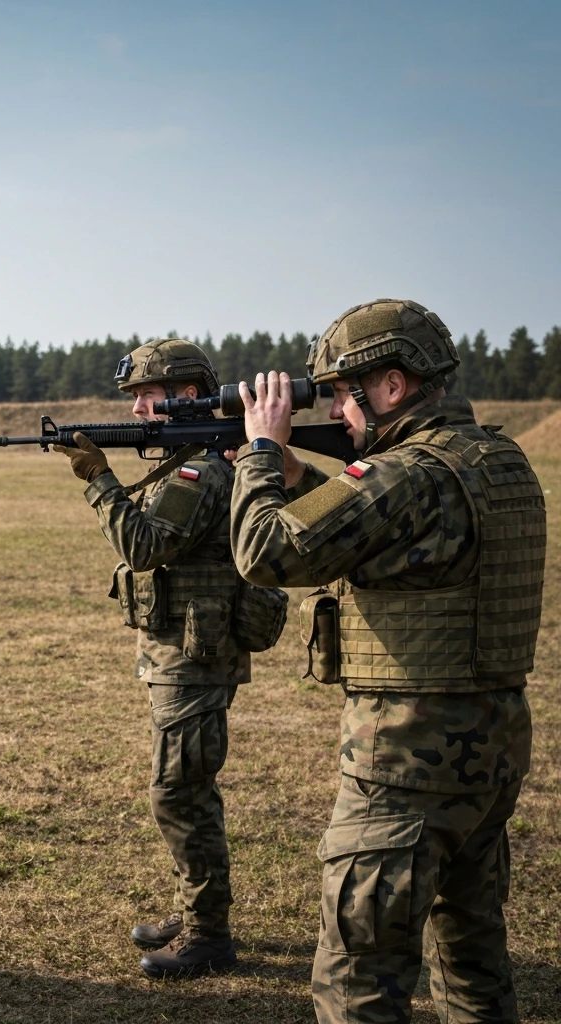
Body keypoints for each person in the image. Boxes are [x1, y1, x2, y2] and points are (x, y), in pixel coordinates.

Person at [229, 299, 543, 1023]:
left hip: (404, 763)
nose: (338, 410)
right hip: (489, 752)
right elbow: (382, 530)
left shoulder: (404, 473)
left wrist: (256, 456)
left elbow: (265, 552)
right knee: (472, 960)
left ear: (393, 386)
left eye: (344, 392)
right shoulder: (497, 459)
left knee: (359, 979)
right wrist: (297, 473)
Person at [55, 338, 285, 980]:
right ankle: (197, 913)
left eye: (145, 395)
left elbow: (145, 544)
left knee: (180, 793)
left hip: (195, 656)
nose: (135, 408)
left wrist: (97, 478)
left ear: (188, 397)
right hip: (183, 649)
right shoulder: (194, 460)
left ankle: (209, 936)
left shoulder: (201, 470)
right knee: (183, 789)